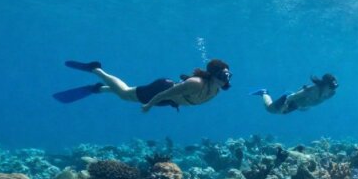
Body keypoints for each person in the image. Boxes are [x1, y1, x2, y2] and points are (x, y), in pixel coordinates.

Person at [53, 59, 232, 112]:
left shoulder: (217, 89)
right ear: (212, 75)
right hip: (162, 90)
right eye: (222, 75)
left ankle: (99, 89)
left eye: (227, 75)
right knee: (125, 94)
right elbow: (166, 93)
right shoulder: (196, 84)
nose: (225, 79)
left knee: (128, 95)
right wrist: (149, 105)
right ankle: (97, 70)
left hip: (171, 100)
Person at [259, 74, 339, 114]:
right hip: (290, 99)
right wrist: (285, 105)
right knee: (270, 109)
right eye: (331, 87)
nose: (332, 89)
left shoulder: (331, 93)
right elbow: (291, 97)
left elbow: (312, 101)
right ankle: (264, 92)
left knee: (278, 113)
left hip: (296, 105)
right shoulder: (311, 90)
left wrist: (303, 107)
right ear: (324, 85)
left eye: (334, 87)